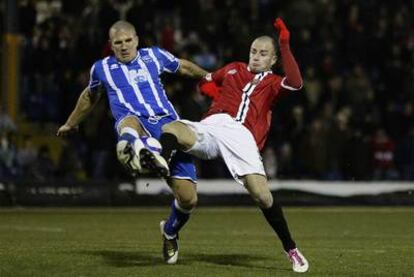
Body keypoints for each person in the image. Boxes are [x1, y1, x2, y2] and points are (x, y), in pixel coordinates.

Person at [157, 18, 309, 273]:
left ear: (272, 60)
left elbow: (296, 83)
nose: (256, 57)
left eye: (263, 54)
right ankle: (160, 163)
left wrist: (284, 45)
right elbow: (205, 79)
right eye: (253, 52)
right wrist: (209, 89)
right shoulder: (233, 68)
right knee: (170, 128)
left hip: (242, 136)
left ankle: (291, 248)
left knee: (262, 196)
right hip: (213, 125)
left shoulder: (272, 82)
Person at [56, 20, 208, 262]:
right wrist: (71, 123)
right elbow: (89, 96)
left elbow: (183, 67)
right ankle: (130, 146)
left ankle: (169, 231)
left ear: (136, 39)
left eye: (128, 41)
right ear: (111, 45)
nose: (124, 46)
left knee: (189, 199)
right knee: (128, 121)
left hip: (169, 128)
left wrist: (209, 76)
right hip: (132, 122)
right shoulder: (102, 68)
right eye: (118, 42)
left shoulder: (155, 56)